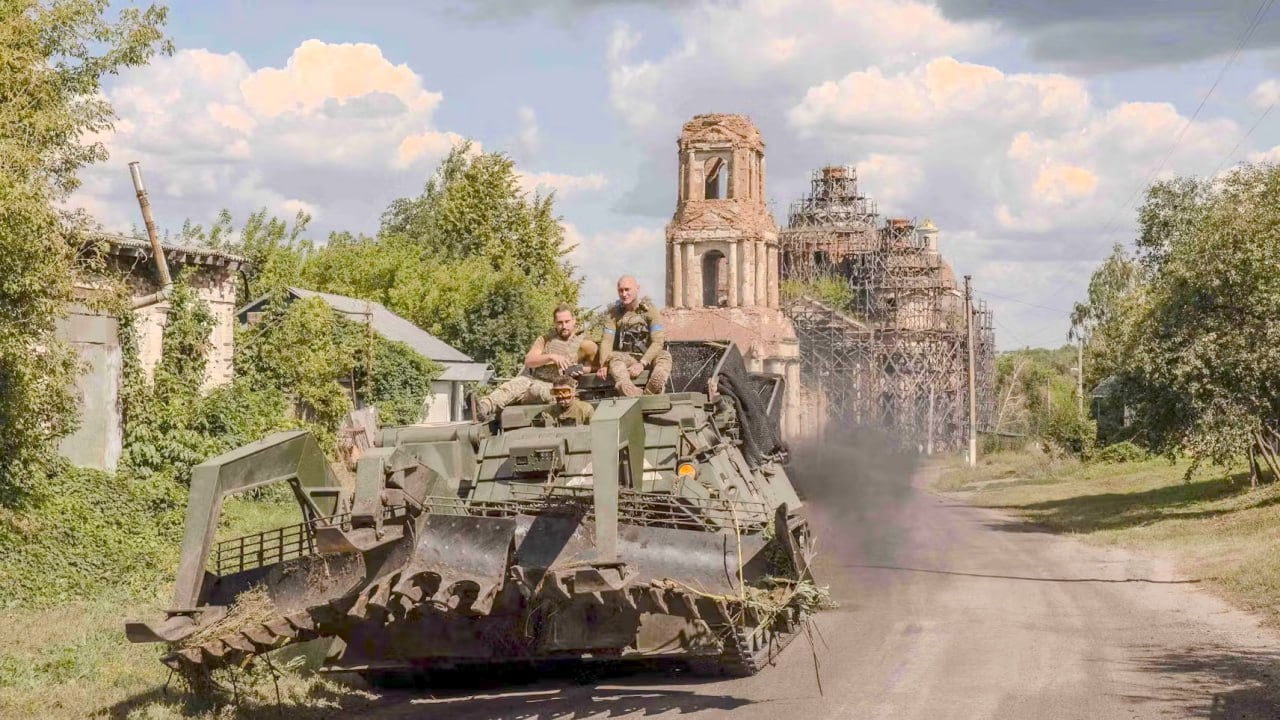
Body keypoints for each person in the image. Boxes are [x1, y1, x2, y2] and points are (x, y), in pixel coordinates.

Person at [476, 303, 598, 420]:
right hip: (535, 381)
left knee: (545, 390)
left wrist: (581, 369)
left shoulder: (585, 344)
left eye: (567, 321)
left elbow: (599, 368)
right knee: (516, 384)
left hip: (559, 389)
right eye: (560, 323)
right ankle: (484, 406)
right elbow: (529, 361)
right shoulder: (545, 340)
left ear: (574, 320)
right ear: (554, 323)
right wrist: (551, 356)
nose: (564, 326)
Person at [596, 275, 672, 397]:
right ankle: (628, 389)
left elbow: (658, 341)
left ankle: (650, 391)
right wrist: (603, 365)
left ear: (637, 289)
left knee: (664, 356)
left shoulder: (650, 311)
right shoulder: (613, 314)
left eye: (627, 289)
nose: (624, 294)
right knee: (614, 358)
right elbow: (607, 341)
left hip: (648, 356)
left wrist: (642, 363)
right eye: (621, 290)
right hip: (626, 356)